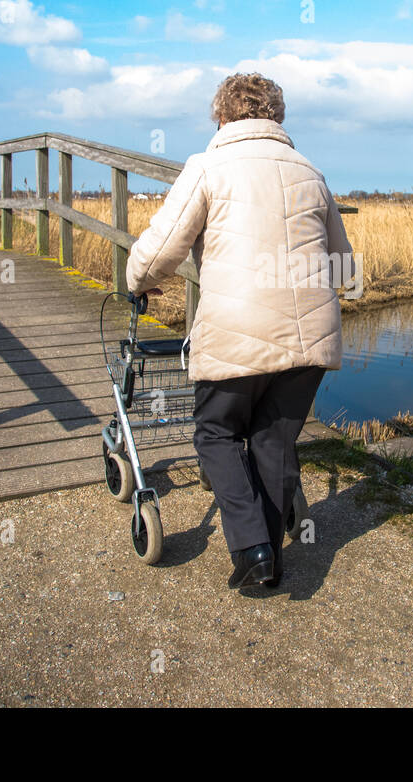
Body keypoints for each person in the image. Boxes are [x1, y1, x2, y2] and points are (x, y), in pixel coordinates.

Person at [125, 73, 354, 591]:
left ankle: (252, 549)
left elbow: (162, 248)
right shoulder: (311, 172)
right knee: (273, 441)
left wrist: (138, 281)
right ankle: (267, 555)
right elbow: (343, 266)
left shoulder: (209, 167)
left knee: (217, 433)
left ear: (221, 116)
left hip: (237, 331)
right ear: (277, 117)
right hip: (312, 340)